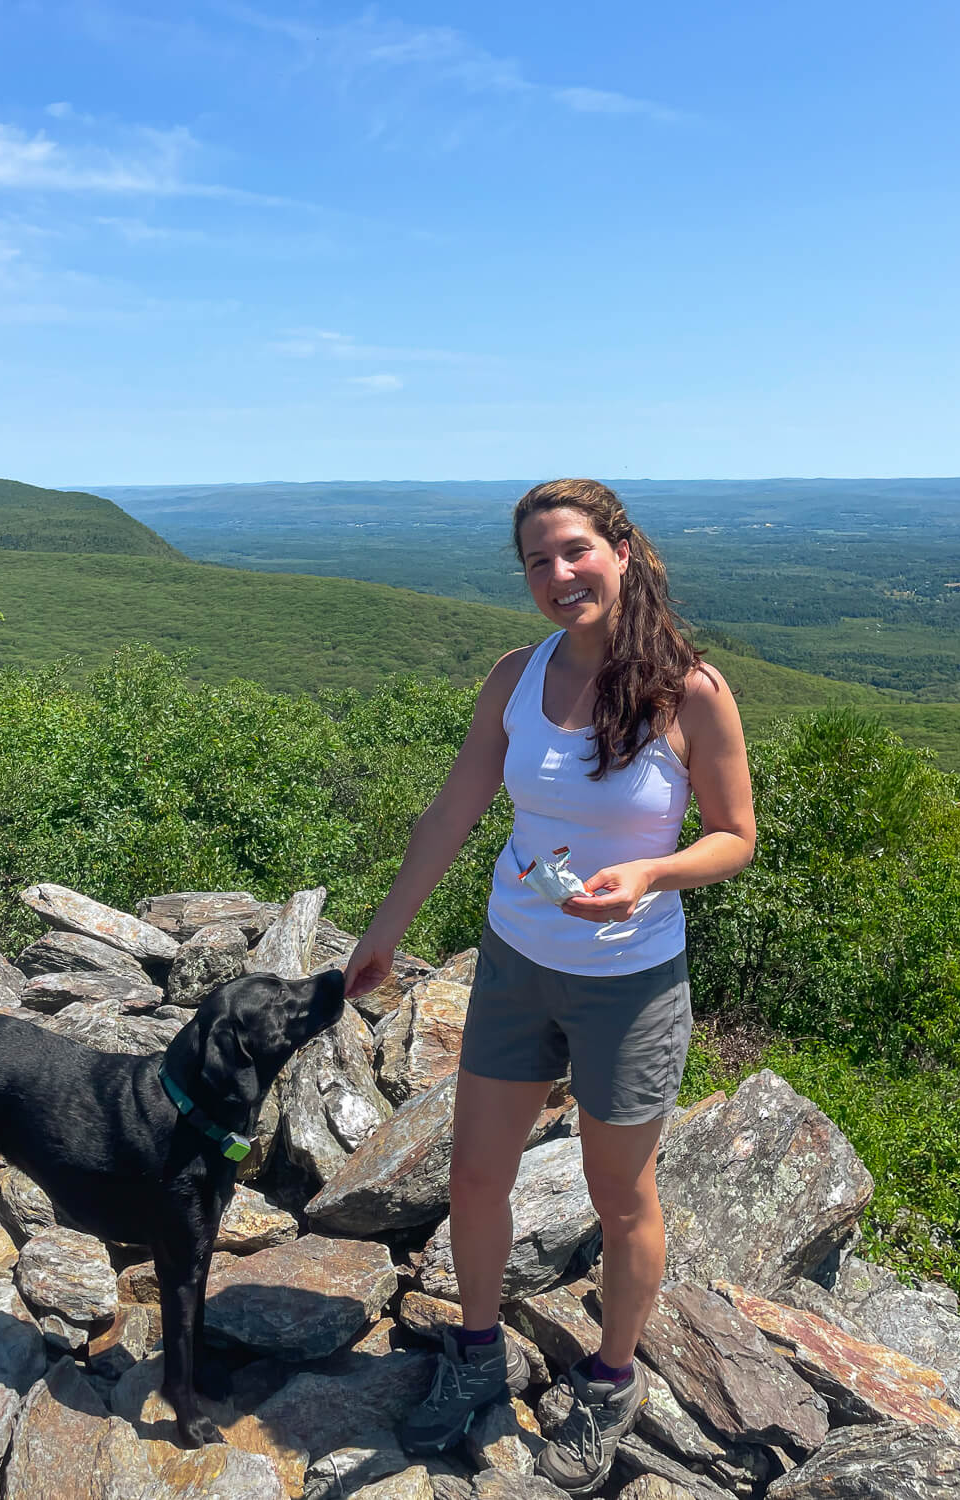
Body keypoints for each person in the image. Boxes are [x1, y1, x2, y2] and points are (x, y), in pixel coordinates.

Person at [343, 478, 756, 1494]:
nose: (557, 574)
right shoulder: (515, 678)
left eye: (574, 550)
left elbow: (736, 837)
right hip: (519, 963)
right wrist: (383, 935)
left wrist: (653, 873)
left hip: (631, 979)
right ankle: (478, 1355)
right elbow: (450, 812)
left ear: (621, 550)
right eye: (536, 560)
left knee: (621, 1196)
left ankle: (611, 1379)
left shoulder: (691, 691)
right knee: (476, 1178)